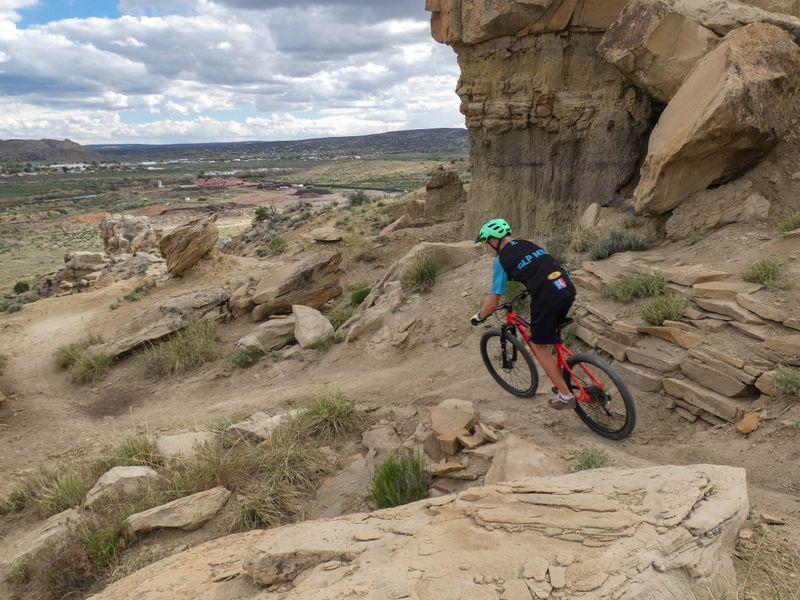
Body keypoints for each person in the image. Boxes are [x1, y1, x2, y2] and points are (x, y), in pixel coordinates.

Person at [470, 218, 577, 409]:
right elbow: (544, 266)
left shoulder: (501, 260)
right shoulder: (528, 244)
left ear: (494, 241)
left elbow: (494, 301)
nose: (486, 249)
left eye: (486, 244)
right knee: (551, 332)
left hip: (548, 297)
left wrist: (480, 316)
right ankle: (563, 373)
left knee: (538, 346)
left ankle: (566, 396)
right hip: (566, 288)